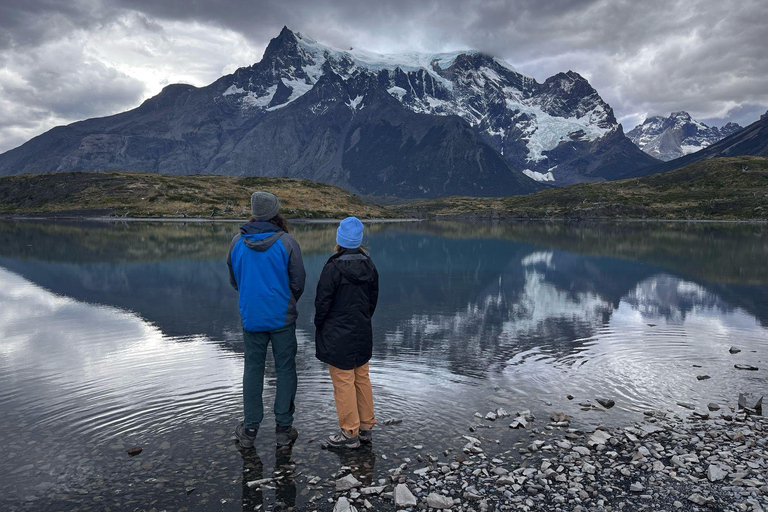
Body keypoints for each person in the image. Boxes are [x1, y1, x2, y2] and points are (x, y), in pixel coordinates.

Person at [228, 191, 306, 448]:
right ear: (275, 212)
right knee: (285, 369)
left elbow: (234, 280)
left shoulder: (237, 242)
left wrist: (253, 298)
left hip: (252, 318)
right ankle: (283, 428)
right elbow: (298, 282)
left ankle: (249, 430)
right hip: (282, 318)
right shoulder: (287, 242)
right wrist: (285, 301)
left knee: (253, 369)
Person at [314, 217, 379, 449]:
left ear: (339, 240)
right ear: (359, 241)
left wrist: (320, 326)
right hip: (362, 331)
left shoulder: (332, 268)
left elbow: (322, 304)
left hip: (338, 334)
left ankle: (349, 432)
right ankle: (366, 428)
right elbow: (372, 302)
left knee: (343, 381)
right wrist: (362, 320)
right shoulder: (370, 265)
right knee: (361, 377)